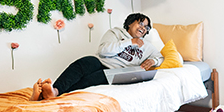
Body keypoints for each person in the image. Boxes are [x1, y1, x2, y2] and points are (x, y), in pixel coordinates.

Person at [31, 13, 164, 101]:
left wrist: (153, 60)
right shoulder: (115, 32)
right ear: (130, 23)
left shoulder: (147, 46)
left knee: (91, 79)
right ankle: (54, 90)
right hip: (100, 61)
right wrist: (129, 42)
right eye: (140, 23)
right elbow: (103, 51)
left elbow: (161, 57)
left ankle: (46, 97)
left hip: (116, 72)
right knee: (85, 62)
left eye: (146, 27)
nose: (143, 28)